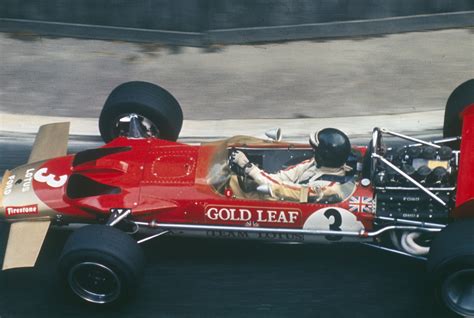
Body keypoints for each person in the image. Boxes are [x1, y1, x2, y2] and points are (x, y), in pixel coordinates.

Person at [229, 128, 352, 202]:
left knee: (230, 190)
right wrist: (256, 174)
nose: (313, 152)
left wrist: (248, 167)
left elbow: (282, 188)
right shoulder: (316, 164)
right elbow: (283, 177)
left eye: (316, 150)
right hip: (285, 195)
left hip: (287, 206)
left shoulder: (326, 188)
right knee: (233, 180)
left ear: (325, 155)